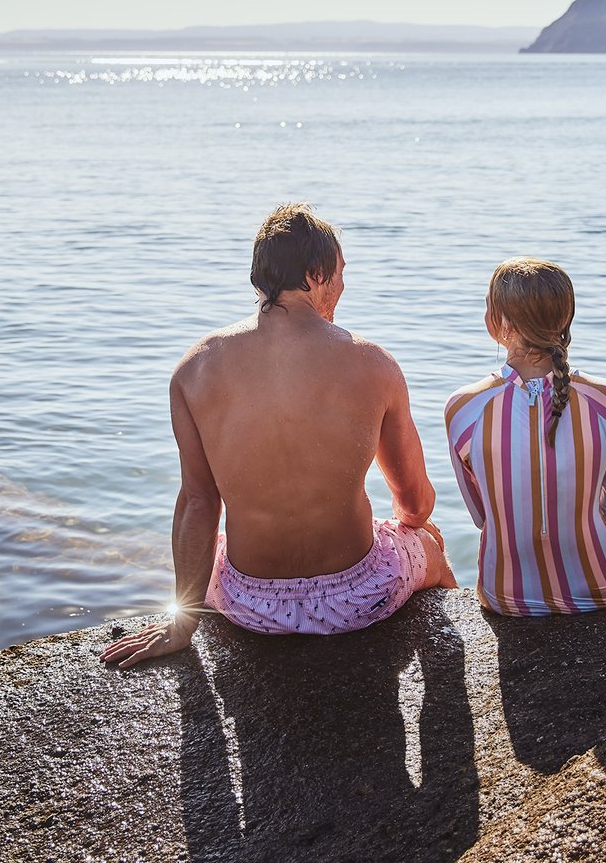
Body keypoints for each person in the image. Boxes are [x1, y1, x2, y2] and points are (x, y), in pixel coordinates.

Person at [103, 204, 457, 667]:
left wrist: (182, 622)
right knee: (428, 540)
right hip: (358, 597)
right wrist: (413, 527)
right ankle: (463, 657)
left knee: (221, 546)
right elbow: (416, 505)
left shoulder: (194, 370)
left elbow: (198, 502)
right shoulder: (375, 365)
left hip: (249, 604)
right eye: (340, 274)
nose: (344, 287)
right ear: (315, 276)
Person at [444, 259, 606, 614]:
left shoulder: (464, 408)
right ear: (565, 319)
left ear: (501, 323)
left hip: (507, 595)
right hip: (599, 589)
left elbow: (483, 517)